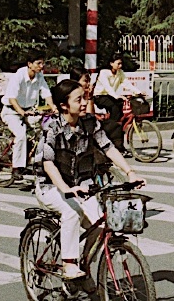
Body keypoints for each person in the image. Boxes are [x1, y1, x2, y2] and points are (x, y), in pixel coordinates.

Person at [35, 78, 143, 279]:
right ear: (63, 105)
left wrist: (130, 172)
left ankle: (84, 266)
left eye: (84, 98)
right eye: (78, 100)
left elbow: (108, 147)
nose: (84, 103)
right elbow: (47, 163)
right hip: (51, 186)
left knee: (101, 225)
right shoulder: (52, 127)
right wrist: (65, 188)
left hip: (84, 186)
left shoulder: (90, 122)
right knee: (71, 212)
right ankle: (68, 263)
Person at [1, 54, 56, 182]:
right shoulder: (18, 76)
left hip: (29, 111)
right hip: (11, 111)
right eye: (38, 63)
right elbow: (11, 98)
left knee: (42, 132)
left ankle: (35, 162)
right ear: (29, 64)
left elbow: (46, 92)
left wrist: (53, 107)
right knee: (21, 135)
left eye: (42, 63)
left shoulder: (39, 76)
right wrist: (21, 112)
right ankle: (17, 168)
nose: (41, 67)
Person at [93, 56, 139, 154]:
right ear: (111, 63)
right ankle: (112, 132)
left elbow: (127, 84)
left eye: (121, 64)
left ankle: (117, 137)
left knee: (121, 115)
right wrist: (117, 96)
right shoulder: (104, 73)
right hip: (99, 96)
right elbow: (108, 87)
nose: (120, 66)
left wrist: (138, 92)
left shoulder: (120, 73)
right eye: (118, 63)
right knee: (115, 110)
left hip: (111, 97)